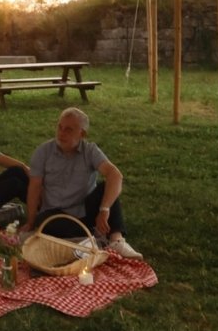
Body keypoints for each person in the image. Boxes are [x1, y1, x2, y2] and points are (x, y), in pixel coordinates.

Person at [25, 107, 141, 259]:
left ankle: (116, 240)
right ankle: (93, 239)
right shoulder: (43, 151)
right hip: (55, 213)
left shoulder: (90, 150)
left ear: (82, 134)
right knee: (45, 222)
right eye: (59, 127)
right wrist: (30, 222)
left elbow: (115, 175)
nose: (61, 133)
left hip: (85, 210)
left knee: (107, 187)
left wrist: (104, 210)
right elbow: (34, 187)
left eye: (68, 130)